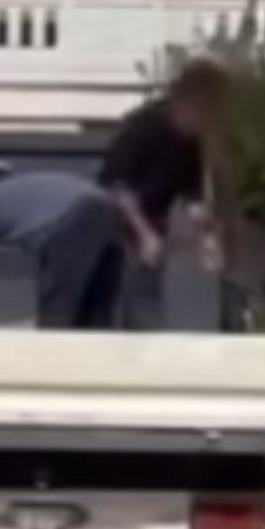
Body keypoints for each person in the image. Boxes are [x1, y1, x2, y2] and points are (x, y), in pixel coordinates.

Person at [98, 58, 228, 329]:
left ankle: (147, 342)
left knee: (148, 294)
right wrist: (143, 234)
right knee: (124, 296)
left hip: (152, 224)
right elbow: (117, 187)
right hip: (113, 223)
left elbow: (193, 198)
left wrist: (207, 238)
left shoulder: (190, 141)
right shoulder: (144, 126)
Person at [0, 161, 126, 329]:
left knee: (56, 315)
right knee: (97, 317)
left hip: (72, 223)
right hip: (111, 214)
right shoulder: (32, 188)